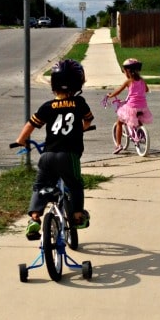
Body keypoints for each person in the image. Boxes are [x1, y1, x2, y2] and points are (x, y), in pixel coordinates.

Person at [14, 59, 94, 240]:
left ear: (54, 83)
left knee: (40, 186)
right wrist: (81, 128)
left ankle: (34, 218)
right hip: (69, 156)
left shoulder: (47, 106)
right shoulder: (79, 103)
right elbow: (88, 121)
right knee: (75, 185)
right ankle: (77, 216)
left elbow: (31, 124)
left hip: (47, 156)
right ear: (77, 83)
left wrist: (21, 140)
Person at [106, 58, 153, 154]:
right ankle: (141, 135)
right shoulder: (142, 81)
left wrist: (110, 95)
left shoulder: (129, 81)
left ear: (127, 71)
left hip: (132, 107)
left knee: (119, 122)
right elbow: (147, 90)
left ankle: (118, 145)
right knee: (138, 121)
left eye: (124, 71)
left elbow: (118, 91)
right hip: (143, 107)